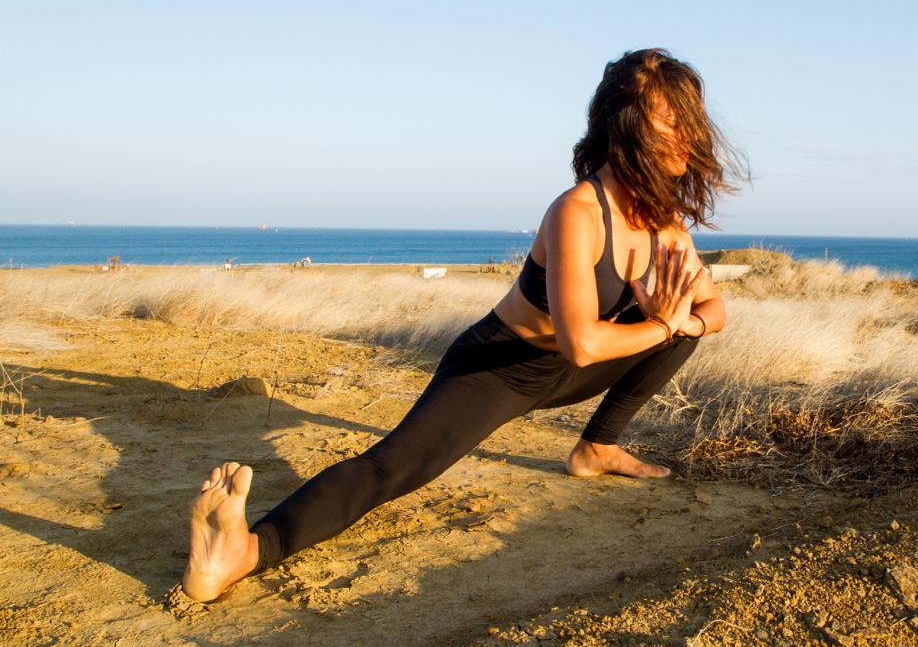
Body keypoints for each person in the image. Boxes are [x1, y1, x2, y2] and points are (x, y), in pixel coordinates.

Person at [182, 48, 745, 602]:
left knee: (681, 331)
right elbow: (582, 343)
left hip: (575, 372)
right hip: (498, 370)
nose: (690, 139)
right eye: (672, 122)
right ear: (626, 127)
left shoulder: (662, 222)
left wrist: (677, 325)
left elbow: (714, 310)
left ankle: (595, 449)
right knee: (393, 468)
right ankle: (245, 549)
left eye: (691, 122)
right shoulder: (577, 211)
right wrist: (667, 323)